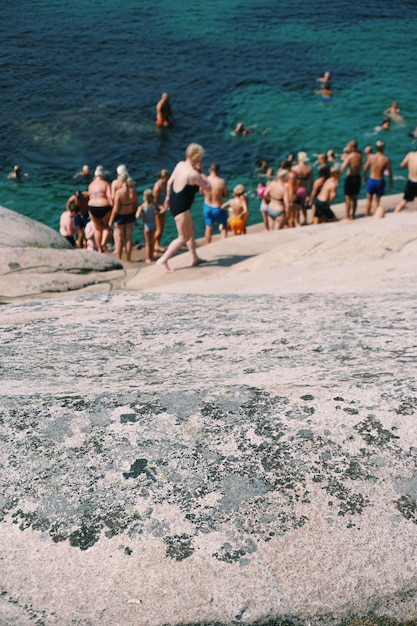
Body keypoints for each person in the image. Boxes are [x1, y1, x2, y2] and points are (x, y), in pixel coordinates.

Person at [156, 143, 211, 273]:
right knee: (183, 237)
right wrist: (202, 171)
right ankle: (163, 260)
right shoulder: (193, 174)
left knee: (190, 229)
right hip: (181, 208)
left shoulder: (180, 165)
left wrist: (168, 198)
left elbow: (169, 183)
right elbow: (208, 187)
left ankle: (194, 258)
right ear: (196, 157)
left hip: (175, 201)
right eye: (200, 157)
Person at [108, 175, 138, 262]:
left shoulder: (119, 193)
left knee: (119, 239)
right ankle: (128, 258)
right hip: (130, 215)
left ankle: (119, 259)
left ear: (122, 181)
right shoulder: (133, 192)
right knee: (128, 238)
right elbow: (135, 206)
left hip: (120, 216)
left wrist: (111, 220)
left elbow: (116, 209)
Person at [201, 162, 229, 243]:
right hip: (218, 207)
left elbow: (201, 192)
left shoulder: (204, 180)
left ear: (210, 170)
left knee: (208, 227)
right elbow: (226, 194)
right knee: (224, 226)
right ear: (218, 170)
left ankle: (208, 245)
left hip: (207, 206)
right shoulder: (221, 182)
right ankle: (223, 243)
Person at [87, 165, 113, 252]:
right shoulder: (105, 184)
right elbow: (110, 197)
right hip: (104, 206)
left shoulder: (90, 185)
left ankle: (99, 248)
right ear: (102, 176)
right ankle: (103, 243)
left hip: (92, 207)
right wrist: (113, 208)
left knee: (97, 228)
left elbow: (89, 196)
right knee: (107, 226)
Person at [363, 140, 392, 216]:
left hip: (372, 180)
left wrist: (365, 176)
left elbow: (365, 169)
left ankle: (367, 215)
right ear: (384, 148)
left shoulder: (371, 157)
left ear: (376, 148)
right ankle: (375, 215)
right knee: (377, 200)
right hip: (380, 181)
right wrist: (391, 181)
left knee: (369, 199)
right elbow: (389, 172)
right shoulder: (386, 159)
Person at [340, 140, 363, 220]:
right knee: (354, 197)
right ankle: (353, 215)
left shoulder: (350, 156)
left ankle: (347, 216)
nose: (347, 148)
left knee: (348, 198)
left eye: (348, 147)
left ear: (352, 148)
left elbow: (343, 167)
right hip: (357, 177)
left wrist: (336, 177)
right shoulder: (360, 155)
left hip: (350, 177)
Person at [291, 151, 313, 225]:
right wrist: (309, 193)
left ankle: (297, 222)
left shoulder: (294, 168)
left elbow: (292, 181)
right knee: (303, 205)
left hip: (297, 188)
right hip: (304, 189)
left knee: (296, 206)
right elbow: (311, 182)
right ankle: (305, 220)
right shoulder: (309, 169)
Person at [136, 189, 157, 263]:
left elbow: (137, 216)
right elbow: (162, 209)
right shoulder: (154, 204)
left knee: (147, 242)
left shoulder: (142, 206)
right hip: (153, 223)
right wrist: (156, 214)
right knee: (152, 241)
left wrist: (143, 217)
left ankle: (148, 258)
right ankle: (152, 256)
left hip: (147, 224)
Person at [152, 169, 170, 253]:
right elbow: (154, 202)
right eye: (167, 177)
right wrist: (161, 208)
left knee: (161, 229)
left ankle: (157, 245)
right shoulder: (157, 187)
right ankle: (150, 244)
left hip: (163, 209)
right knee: (159, 230)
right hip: (157, 210)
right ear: (163, 177)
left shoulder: (165, 185)